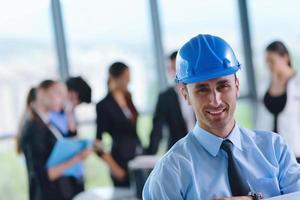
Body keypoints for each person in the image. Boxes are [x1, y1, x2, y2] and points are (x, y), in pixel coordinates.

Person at [143, 34, 300, 200]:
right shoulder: (170, 172)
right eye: (202, 89)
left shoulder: (275, 149)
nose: (215, 100)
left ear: (237, 87)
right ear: (186, 95)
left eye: (223, 86)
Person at [19, 80, 92, 200]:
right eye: (59, 94)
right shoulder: (34, 128)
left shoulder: (47, 124)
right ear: (42, 93)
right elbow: (43, 175)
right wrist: (78, 158)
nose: (64, 100)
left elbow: (70, 134)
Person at [96, 62, 143, 187]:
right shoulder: (103, 105)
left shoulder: (128, 97)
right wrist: (115, 168)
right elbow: (97, 142)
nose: (129, 81)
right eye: (125, 78)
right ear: (114, 78)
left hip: (138, 157)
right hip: (120, 162)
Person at [146, 51, 195, 154]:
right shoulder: (165, 97)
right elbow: (157, 129)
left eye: (178, 68)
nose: (176, 73)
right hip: (178, 151)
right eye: (172, 69)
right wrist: (149, 153)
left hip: (201, 147)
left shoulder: (199, 91)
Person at [263, 41, 300, 162]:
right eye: (267, 62)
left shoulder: (297, 81)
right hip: (272, 151)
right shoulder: (265, 83)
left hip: (295, 149)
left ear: (285, 57)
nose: (269, 65)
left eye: (272, 61)